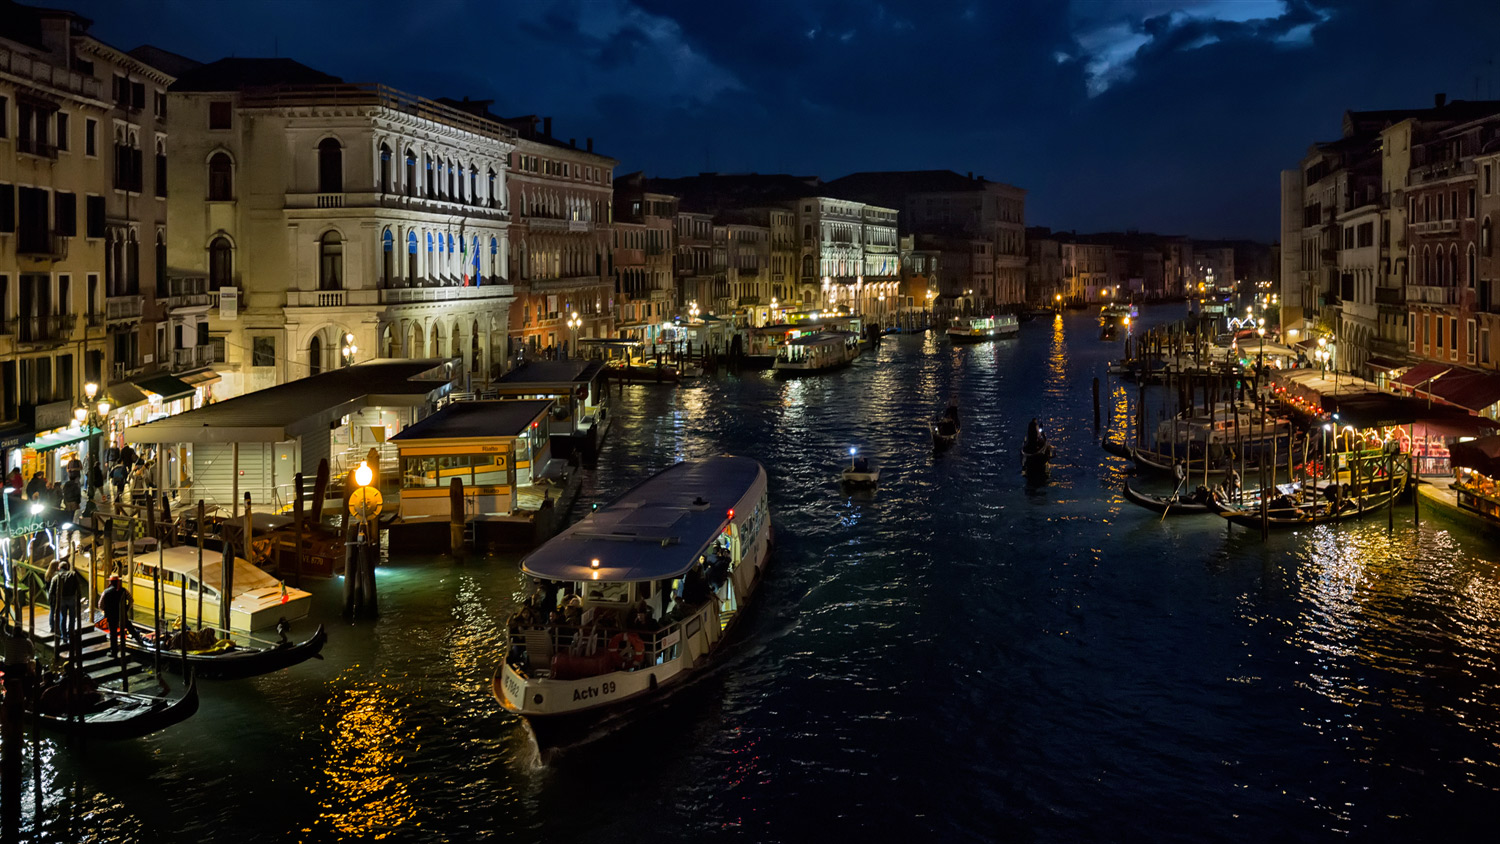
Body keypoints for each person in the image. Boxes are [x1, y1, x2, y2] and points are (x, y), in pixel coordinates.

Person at [48, 561, 83, 645]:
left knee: (63, 618)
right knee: (72, 618)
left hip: (61, 600)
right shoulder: (73, 574)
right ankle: (71, 634)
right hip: (71, 598)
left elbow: (51, 591)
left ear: (59, 568)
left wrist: (52, 602)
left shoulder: (55, 577)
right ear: (67, 567)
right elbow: (78, 587)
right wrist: (79, 597)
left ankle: (64, 637)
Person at [98, 574, 132, 657]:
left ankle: (114, 652)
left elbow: (100, 605)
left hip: (111, 615)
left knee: (113, 634)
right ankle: (136, 639)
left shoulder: (106, 592)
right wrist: (127, 608)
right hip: (121, 614)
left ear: (110, 582)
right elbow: (131, 600)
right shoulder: (124, 591)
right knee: (128, 626)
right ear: (118, 582)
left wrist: (105, 609)